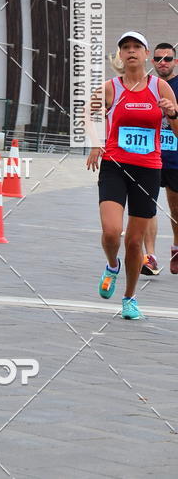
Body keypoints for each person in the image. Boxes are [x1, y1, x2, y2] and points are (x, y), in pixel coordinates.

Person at [86, 31, 178, 319]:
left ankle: (129, 297)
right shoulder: (109, 87)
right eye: (125, 47)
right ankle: (112, 265)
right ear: (120, 55)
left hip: (148, 170)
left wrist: (173, 114)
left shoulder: (160, 88)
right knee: (111, 231)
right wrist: (96, 142)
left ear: (146, 54)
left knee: (135, 242)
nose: (131, 51)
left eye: (137, 46)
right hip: (114, 166)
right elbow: (88, 114)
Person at [141, 43, 178, 275]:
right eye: (158, 59)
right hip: (149, 155)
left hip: (175, 157)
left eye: (168, 58)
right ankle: (150, 257)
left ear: (175, 62)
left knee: (176, 208)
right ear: (152, 61)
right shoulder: (145, 85)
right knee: (146, 205)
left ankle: (176, 248)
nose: (163, 62)